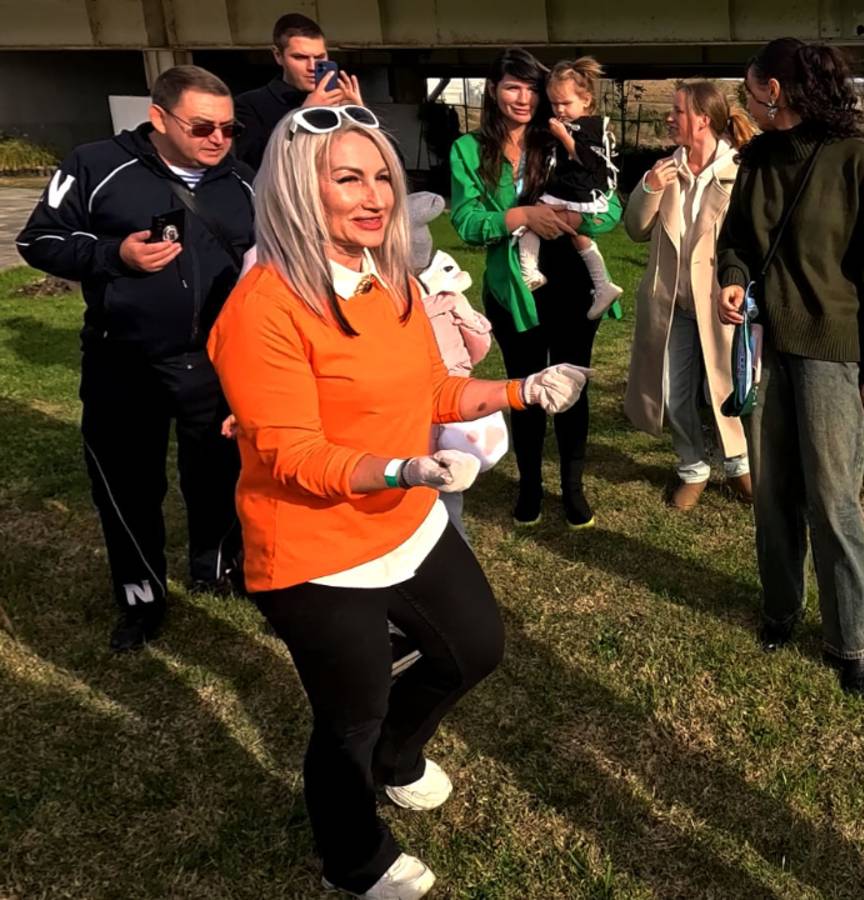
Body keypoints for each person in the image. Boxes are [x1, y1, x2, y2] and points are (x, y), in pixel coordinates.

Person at [208, 107, 588, 899]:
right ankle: (352, 859)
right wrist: (401, 469)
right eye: (348, 178)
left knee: (474, 649)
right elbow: (291, 453)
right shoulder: (263, 307)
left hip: (406, 519)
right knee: (352, 716)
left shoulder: (393, 282)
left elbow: (435, 388)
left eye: (382, 174)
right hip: (313, 550)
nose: (375, 195)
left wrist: (523, 390)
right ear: (296, 190)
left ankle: (397, 758)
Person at [15, 64, 254, 651]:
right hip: (122, 359)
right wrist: (113, 254)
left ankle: (218, 568)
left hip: (214, 362)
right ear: (159, 118)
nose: (218, 140)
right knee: (127, 485)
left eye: (229, 128)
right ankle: (141, 595)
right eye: (203, 127)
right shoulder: (96, 164)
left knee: (219, 474)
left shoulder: (243, 180)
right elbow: (38, 240)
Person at [717, 38, 864, 698]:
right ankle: (780, 610)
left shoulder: (855, 158)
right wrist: (731, 278)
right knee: (772, 493)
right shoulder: (758, 158)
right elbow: (737, 239)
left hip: (830, 352)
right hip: (765, 349)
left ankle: (852, 641)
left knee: (832, 500)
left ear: (775, 90)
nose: (746, 100)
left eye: (750, 88)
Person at [449, 48, 617, 529]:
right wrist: (520, 216)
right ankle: (529, 486)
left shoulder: (564, 137)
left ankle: (573, 487)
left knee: (571, 386)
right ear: (494, 90)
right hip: (513, 288)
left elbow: (610, 208)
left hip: (571, 285)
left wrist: (570, 219)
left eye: (531, 89)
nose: (523, 99)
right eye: (512, 87)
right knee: (522, 389)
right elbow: (465, 220)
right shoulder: (468, 150)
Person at [623, 81, 756, 510]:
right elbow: (635, 230)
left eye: (677, 110)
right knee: (673, 391)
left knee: (726, 386)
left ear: (702, 119)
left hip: (720, 304)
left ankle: (739, 466)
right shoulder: (665, 170)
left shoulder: (740, 172)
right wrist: (649, 187)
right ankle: (692, 468)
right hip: (672, 304)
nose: (669, 117)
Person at [408, 190, 501, 541]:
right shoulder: (449, 299)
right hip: (451, 404)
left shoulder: (381, 304)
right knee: (448, 488)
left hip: (408, 417)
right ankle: (453, 545)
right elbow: (479, 347)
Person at [513, 56, 623, 319]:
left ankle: (529, 271)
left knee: (530, 220)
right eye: (554, 104)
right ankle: (603, 285)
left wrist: (563, 136)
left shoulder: (589, 128)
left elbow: (588, 160)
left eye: (565, 103)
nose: (559, 110)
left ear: (586, 100)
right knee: (579, 237)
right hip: (573, 193)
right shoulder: (570, 125)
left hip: (580, 195)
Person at [233, 13, 364, 172]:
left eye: (320, 57)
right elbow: (255, 168)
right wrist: (302, 118)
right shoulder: (249, 105)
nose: (312, 67)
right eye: (300, 57)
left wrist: (360, 119)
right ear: (278, 55)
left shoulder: (341, 103)